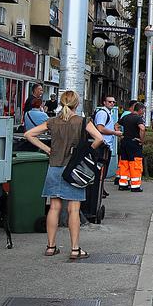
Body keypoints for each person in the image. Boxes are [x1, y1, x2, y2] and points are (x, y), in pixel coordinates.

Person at [23, 89, 104, 261]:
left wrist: (47, 149)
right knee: (73, 209)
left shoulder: (53, 121)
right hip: (74, 170)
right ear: (77, 104)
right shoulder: (83, 121)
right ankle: (75, 249)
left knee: (54, 208)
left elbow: (28, 134)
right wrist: (85, 152)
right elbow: (99, 139)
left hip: (54, 167)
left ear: (60, 103)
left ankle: (51, 247)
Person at [117, 101, 147, 192]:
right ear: (140, 109)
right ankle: (135, 186)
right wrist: (141, 140)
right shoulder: (138, 118)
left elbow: (116, 125)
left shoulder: (125, 117)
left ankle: (123, 184)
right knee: (135, 164)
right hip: (134, 143)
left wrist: (121, 135)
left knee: (124, 163)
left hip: (124, 142)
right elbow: (142, 128)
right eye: (144, 110)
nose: (144, 112)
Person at [92, 96, 119, 186]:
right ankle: (99, 189)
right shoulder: (103, 113)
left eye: (113, 102)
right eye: (109, 102)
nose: (112, 103)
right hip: (102, 145)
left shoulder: (108, 113)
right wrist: (114, 132)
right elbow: (100, 128)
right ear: (104, 102)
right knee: (101, 170)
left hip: (106, 145)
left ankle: (101, 188)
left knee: (103, 170)